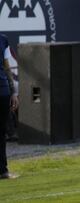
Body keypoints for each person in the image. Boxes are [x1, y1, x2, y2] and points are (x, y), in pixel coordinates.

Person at [0, 33, 19, 179]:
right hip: (3, 91)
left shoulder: (3, 39)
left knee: (1, 133)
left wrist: (13, 92)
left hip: (3, 91)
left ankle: (3, 171)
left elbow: (7, 67)